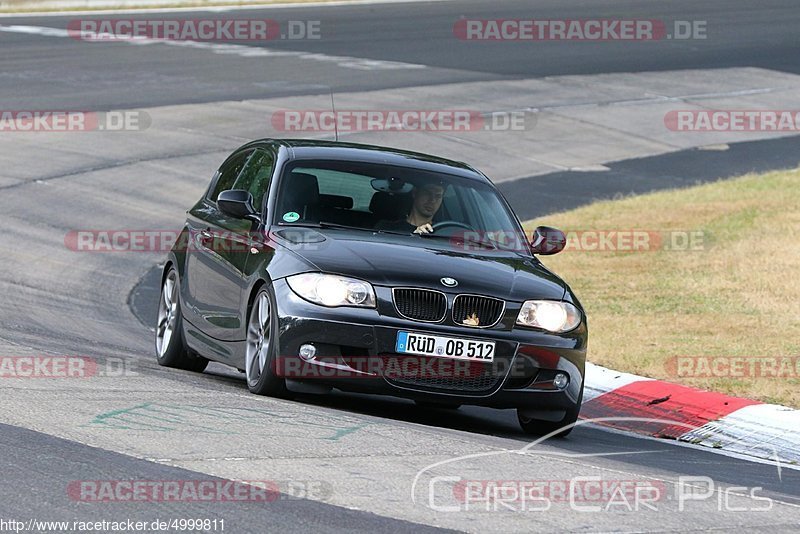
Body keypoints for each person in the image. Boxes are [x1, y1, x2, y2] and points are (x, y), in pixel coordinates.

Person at [375, 183, 445, 234]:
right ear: (415, 193)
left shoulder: (442, 232)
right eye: (427, 193)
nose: (432, 200)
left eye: (438, 196)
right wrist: (415, 237)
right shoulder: (386, 228)